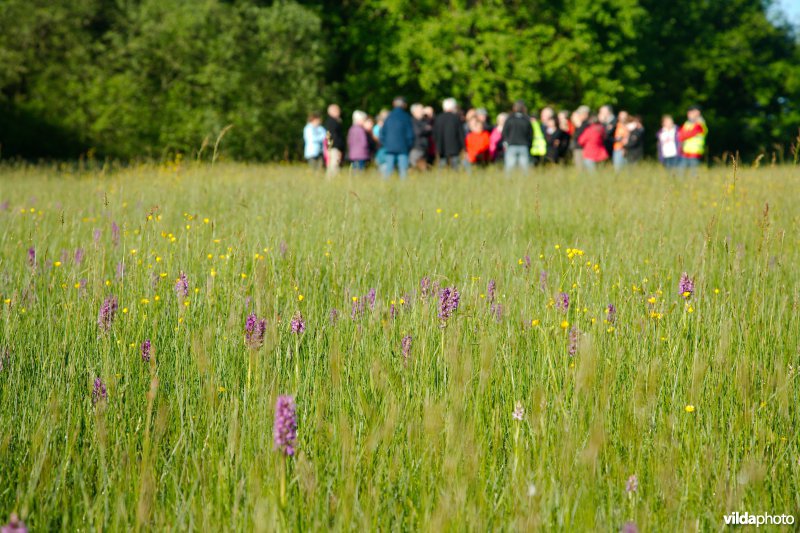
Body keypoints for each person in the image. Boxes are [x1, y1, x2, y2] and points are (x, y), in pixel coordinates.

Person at [379, 97, 415, 179]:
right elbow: (410, 135)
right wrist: (408, 146)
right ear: (404, 105)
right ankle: (404, 189)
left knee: (388, 171)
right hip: (403, 149)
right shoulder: (406, 117)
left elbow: (382, 134)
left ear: (393, 104)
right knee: (403, 171)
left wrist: (386, 145)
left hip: (389, 149)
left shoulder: (388, 117)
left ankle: (385, 188)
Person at [502, 100, 533, 173]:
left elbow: (504, 132)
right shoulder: (526, 119)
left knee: (509, 169)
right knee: (525, 169)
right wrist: (529, 145)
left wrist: (507, 141)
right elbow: (530, 134)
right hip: (523, 146)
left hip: (511, 145)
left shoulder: (510, 119)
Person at [434, 97, 465, 170]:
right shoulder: (456, 118)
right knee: (455, 168)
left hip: (441, 147)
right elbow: (461, 134)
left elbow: (435, 134)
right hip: (455, 148)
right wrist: (464, 147)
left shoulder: (438, 118)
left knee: (441, 167)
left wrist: (437, 146)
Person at [678, 105, 707, 173]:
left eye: (691, 112)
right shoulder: (687, 123)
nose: (689, 114)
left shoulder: (700, 124)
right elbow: (680, 134)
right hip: (685, 151)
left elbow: (687, 134)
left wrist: (684, 135)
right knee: (680, 171)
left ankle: (693, 183)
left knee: (693, 172)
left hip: (695, 152)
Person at [324, 104, 345, 176]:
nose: (339, 112)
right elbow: (334, 136)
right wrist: (338, 147)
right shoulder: (333, 122)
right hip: (334, 147)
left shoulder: (331, 122)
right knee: (334, 165)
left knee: (332, 164)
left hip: (332, 146)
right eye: (337, 110)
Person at [410, 103, 432, 171]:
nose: (422, 112)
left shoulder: (424, 120)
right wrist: (425, 129)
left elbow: (429, 130)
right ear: (414, 112)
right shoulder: (412, 121)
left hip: (424, 147)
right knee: (414, 166)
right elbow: (418, 132)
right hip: (416, 147)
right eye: (420, 110)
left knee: (423, 166)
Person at [570, 105, 590, 170]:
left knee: (581, 168)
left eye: (579, 114)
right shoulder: (581, 124)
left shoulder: (586, 124)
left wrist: (578, 124)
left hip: (581, 149)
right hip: (578, 148)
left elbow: (577, 136)